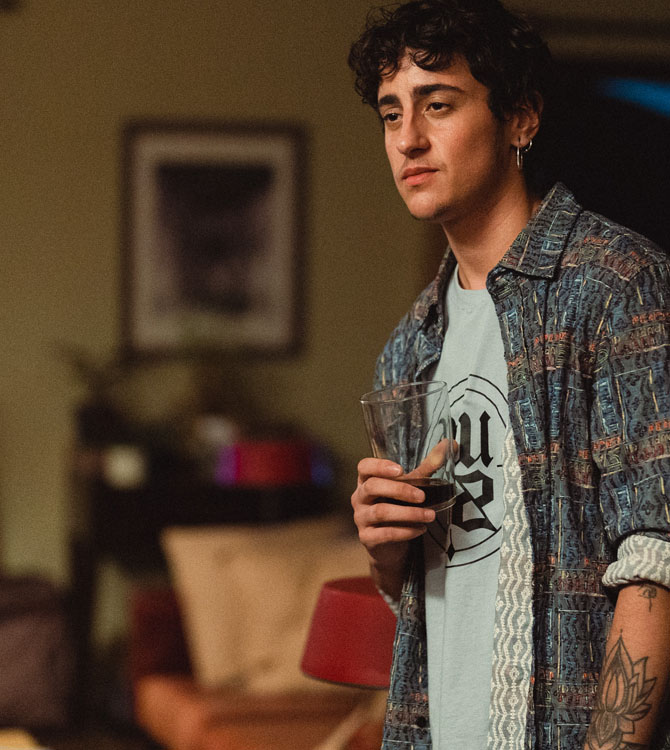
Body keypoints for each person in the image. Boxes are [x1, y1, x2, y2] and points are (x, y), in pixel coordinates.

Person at [346, 1, 670, 748]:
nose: (408, 138)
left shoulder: (614, 286)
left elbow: (655, 564)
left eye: (438, 104)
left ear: (520, 119)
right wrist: (386, 552)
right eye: (392, 113)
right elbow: (432, 597)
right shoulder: (409, 347)